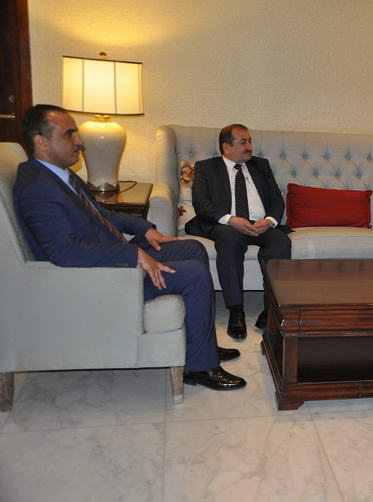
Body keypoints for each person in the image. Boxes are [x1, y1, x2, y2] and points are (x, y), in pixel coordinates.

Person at [13, 104, 246, 391]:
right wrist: (132, 254)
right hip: (99, 278)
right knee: (195, 275)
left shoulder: (60, 174)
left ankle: (200, 344)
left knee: (193, 249)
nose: (80, 141)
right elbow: (65, 252)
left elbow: (101, 214)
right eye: (69, 134)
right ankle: (200, 367)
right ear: (41, 142)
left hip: (110, 259)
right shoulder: (37, 187)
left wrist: (144, 229)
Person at [185, 124, 291, 339]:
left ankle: (270, 309)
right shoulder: (206, 168)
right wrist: (231, 220)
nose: (249, 147)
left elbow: (276, 200)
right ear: (226, 147)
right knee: (229, 238)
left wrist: (269, 221)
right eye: (244, 142)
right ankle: (236, 311)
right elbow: (202, 204)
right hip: (226, 224)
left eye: (250, 141)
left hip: (259, 224)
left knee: (281, 242)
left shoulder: (261, 165)